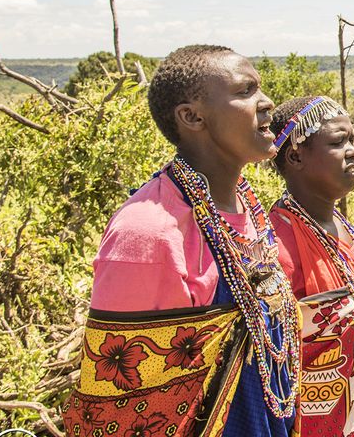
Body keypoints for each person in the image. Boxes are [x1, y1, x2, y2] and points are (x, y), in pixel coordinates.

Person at [64, 45, 299, 436]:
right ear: (192, 117)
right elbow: (122, 412)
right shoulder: (148, 234)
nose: (266, 101)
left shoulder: (250, 208)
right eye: (245, 91)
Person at [268, 96, 354, 437]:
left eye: (353, 140)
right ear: (295, 157)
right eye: (338, 142)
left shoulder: (344, 228)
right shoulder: (277, 244)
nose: (353, 150)